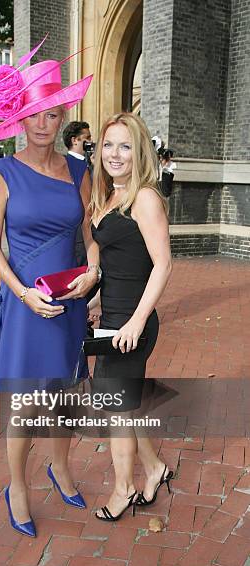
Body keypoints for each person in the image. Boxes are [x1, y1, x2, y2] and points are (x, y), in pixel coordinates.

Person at [0, 45, 100, 537]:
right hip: (28, 306)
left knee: (66, 394)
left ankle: (62, 467)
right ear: (19, 120)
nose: (43, 125)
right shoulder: (2, 173)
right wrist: (22, 294)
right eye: (33, 116)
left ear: (62, 116)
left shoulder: (79, 172)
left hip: (68, 299)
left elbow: (88, 236)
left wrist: (93, 273)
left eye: (51, 115)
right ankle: (18, 487)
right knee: (25, 404)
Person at [89, 112, 173, 521]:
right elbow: (117, 260)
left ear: (139, 151)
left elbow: (162, 265)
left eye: (124, 145)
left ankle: (123, 491)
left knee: (117, 409)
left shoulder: (145, 197)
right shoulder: (111, 195)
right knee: (123, 406)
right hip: (112, 317)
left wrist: (137, 320)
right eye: (108, 145)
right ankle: (156, 468)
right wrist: (96, 300)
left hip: (132, 323)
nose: (114, 153)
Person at [63, 121, 92, 267]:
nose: (90, 142)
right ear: (75, 140)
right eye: (87, 138)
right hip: (78, 236)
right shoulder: (65, 164)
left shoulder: (90, 163)